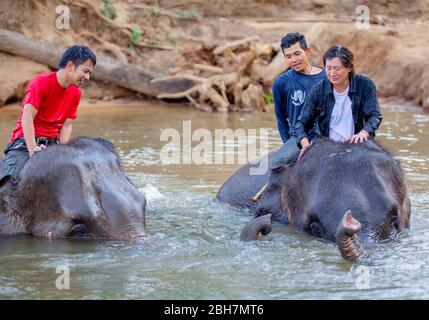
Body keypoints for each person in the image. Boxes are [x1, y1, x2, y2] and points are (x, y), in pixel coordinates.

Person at [1, 45, 96, 181]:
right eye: (85, 71)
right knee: (12, 183)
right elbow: (27, 117)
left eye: (90, 73)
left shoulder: (76, 92)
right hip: (24, 144)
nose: (87, 77)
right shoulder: (41, 82)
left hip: (52, 145)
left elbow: (67, 125)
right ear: (70, 66)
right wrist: (33, 151)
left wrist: (63, 152)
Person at [295, 45, 382, 157]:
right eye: (328, 68)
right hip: (326, 145)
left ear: (350, 68)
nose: (332, 73)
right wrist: (305, 143)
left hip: (356, 143)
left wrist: (363, 133)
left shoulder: (365, 85)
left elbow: (375, 115)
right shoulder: (317, 91)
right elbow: (301, 122)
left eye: (337, 68)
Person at [270, 32, 326, 169]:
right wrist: (288, 143)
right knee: (276, 163)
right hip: (298, 138)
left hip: (326, 135)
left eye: (297, 54)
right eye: (288, 56)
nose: (293, 60)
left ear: (307, 52)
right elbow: (281, 118)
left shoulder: (327, 77)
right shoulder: (281, 83)